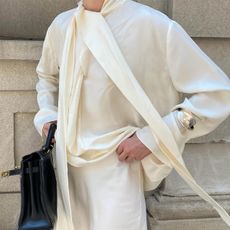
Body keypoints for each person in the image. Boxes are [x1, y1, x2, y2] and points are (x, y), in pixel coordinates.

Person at [34, 0, 230, 229]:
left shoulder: (153, 25)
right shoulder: (62, 25)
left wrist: (155, 137)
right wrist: (47, 115)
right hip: (67, 169)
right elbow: (46, 77)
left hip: (120, 166)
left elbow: (219, 94)